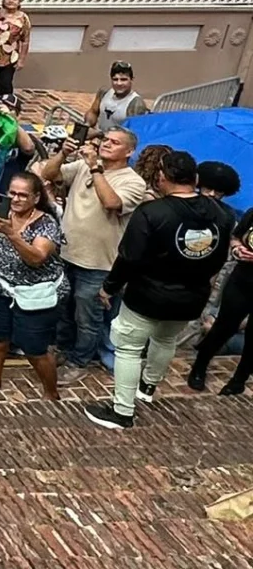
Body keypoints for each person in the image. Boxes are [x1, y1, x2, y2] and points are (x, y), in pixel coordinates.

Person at [87, 149, 230, 431]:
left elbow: (129, 257)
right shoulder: (221, 214)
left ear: (162, 178)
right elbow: (219, 257)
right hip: (192, 295)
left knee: (128, 348)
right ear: (196, 178)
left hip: (147, 295)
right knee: (165, 341)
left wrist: (109, 287)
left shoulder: (152, 212)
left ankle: (122, 411)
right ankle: (148, 387)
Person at [34, 125, 149, 370]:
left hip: (99, 263)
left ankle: (80, 360)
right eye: (105, 139)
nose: (106, 143)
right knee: (64, 309)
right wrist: (63, 154)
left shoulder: (133, 181)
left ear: (129, 151)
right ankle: (64, 350)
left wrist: (96, 167)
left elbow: (111, 203)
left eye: (114, 142)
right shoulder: (81, 166)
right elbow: (48, 173)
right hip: (67, 254)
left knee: (88, 317)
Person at [0, 171, 62, 402]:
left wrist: (11, 233)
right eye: (13, 193)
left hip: (34, 295)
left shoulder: (46, 223)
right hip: (0, 290)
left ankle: (51, 392)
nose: (16, 199)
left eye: (23, 195)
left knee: (34, 348)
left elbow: (37, 257)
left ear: (36, 198)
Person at [186, 163, 253, 394]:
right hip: (242, 280)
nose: (213, 194)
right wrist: (237, 250)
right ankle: (199, 367)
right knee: (223, 327)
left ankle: (238, 380)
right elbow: (236, 238)